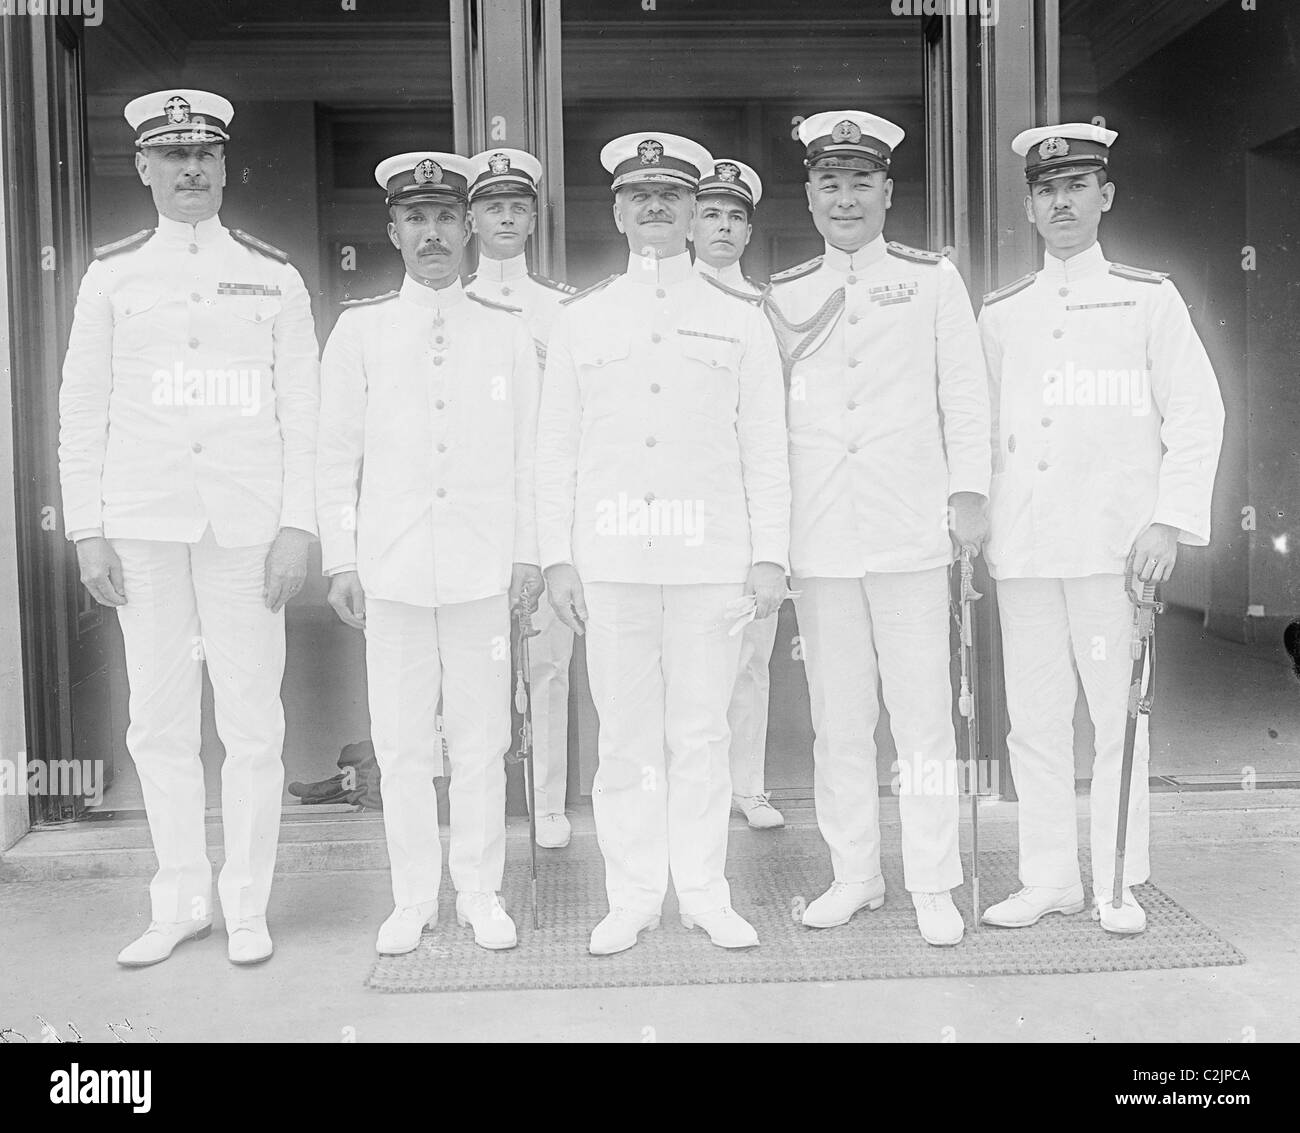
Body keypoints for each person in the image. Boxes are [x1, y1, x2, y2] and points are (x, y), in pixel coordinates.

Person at [58, 89, 320, 967]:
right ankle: (179, 900)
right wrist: (87, 528)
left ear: (225, 164)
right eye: (173, 157)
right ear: (144, 168)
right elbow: (81, 406)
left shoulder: (273, 273)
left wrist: (298, 525)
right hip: (143, 521)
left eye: (204, 154)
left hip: (246, 524)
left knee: (253, 719)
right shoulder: (113, 274)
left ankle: (247, 904)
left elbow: (304, 412)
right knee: (158, 720)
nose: (192, 170)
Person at [536, 131, 791, 955]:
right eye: (639, 195)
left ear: (692, 210)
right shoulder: (583, 319)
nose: (655, 207)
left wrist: (768, 555)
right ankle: (635, 894)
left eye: (671, 196)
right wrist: (558, 556)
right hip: (611, 565)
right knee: (625, 737)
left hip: (709, 562)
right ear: (617, 210)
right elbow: (556, 448)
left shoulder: (739, 320)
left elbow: (765, 447)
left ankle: (707, 894)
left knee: (702, 733)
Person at [977, 123, 1225, 935]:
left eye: (1076, 186)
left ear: (1105, 196)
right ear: (1030, 205)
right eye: (1046, 190)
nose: (1061, 201)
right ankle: (1048, 876)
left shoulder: (1148, 296)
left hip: (1115, 549)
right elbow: (977, 424)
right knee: (1034, 721)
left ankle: (1118, 878)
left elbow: (1197, 411)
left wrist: (1170, 520)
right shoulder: (1003, 311)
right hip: (1024, 548)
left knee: (1118, 716)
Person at [767, 110, 991, 946]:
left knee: (924, 715)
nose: (847, 198)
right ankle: (856, 872)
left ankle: (932, 877)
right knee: (839, 717)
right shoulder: (784, 292)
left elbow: (963, 392)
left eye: (862, 181)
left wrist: (969, 492)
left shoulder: (933, 279)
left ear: (889, 192)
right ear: (811, 196)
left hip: (907, 529)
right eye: (831, 183)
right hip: (823, 538)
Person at [315, 151, 541, 955]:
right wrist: (341, 556)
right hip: (394, 568)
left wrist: (527, 554)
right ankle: (412, 895)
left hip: (482, 569)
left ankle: (479, 889)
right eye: (416, 218)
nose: (433, 233)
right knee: (403, 743)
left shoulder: (506, 333)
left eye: (447, 216)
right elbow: (333, 454)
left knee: (481, 739)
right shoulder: (360, 329)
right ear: (393, 230)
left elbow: (528, 453)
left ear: (469, 226)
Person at [465, 147, 577, 850]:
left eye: (518, 206)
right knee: (474, 667)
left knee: (548, 661)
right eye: (493, 206)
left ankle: (549, 801)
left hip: (541, 500)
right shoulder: (451, 298)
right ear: (471, 216)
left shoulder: (563, 308)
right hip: (469, 505)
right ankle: (480, 811)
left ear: (533, 216)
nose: (507, 217)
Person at [689, 157, 784, 832]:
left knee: (751, 656)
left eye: (735, 217)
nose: (723, 227)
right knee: (685, 662)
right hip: (685, 511)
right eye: (711, 214)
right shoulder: (667, 300)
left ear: (749, 232)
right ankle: (692, 788)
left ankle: (746, 785)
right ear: (690, 224)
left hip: (749, 510)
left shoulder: (767, 307)